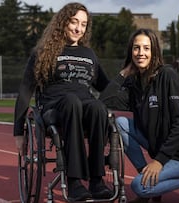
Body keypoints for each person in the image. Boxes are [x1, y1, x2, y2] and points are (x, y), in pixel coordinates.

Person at [100, 28, 179, 203]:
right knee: (121, 122)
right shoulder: (134, 83)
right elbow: (105, 100)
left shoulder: (167, 76)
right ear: (131, 51)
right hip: (161, 145)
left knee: (138, 186)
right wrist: (124, 72)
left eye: (146, 48)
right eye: (136, 48)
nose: (140, 53)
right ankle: (149, 178)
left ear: (154, 51)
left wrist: (159, 162)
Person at [13, 2, 112, 201]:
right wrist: (18, 132)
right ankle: (74, 182)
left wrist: (130, 79)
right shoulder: (43, 53)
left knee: (98, 107)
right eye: (74, 22)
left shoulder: (89, 54)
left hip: (84, 106)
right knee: (71, 101)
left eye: (83, 24)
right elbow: (25, 91)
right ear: (63, 22)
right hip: (54, 108)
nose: (78, 28)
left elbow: (107, 88)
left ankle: (96, 180)